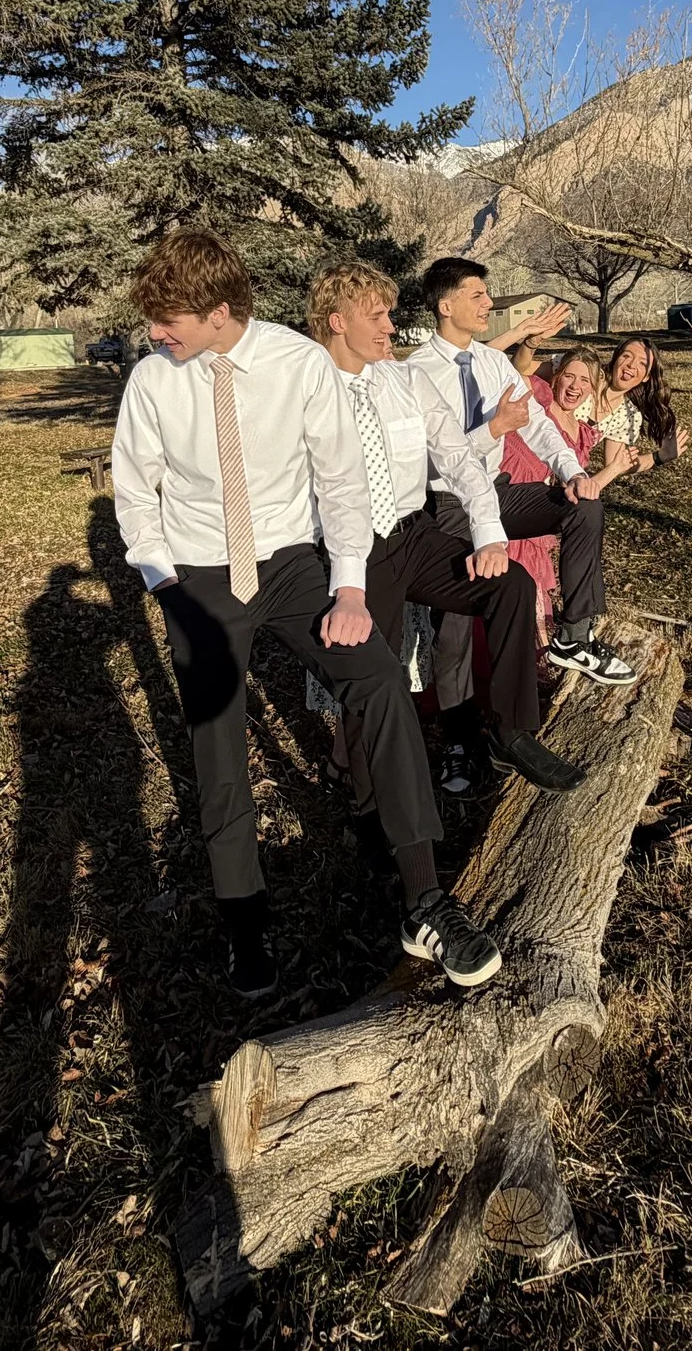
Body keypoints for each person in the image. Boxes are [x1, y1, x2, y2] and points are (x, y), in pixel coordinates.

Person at [110, 231, 501, 996]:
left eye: (171, 321)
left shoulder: (298, 366)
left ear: (220, 311)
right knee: (217, 748)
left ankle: (423, 900)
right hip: (197, 575)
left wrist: (350, 588)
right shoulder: (154, 380)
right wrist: (167, 592)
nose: (159, 335)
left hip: (292, 566)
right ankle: (246, 925)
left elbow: (342, 483)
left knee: (380, 678)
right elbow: (135, 493)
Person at [307, 263, 585, 809]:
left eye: (390, 314)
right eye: (378, 316)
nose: (391, 327)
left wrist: (488, 533)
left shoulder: (405, 381)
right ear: (338, 322)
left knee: (511, 587)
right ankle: (370, 805)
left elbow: (457, 457)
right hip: (355, 553)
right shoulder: (306, 390)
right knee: (374, 684)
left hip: (416, 533)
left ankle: (510, 732)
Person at [407, 258, 636, 687]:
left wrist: (570, 471)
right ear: (445, 306)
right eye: (477, 294)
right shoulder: (416, 372)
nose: (489, 302)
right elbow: (423, 461)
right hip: (448, 503)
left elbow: (538, 424)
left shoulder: (494, 364)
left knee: (582, 506)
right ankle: (459, 738)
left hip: (499, 490)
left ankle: (573, 636)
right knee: (456, 627)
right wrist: (492, 428)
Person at [502, 347, 640, 639]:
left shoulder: (582, 435)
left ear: (592, 388)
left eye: (585, 381)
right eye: (569, 376)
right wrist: (529, 342)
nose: (575, 386)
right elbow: (517, 368)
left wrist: (615, 468)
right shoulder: (539, 397)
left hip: (534, 515)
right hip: (504, 495)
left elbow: (581, 491)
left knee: (528, 603)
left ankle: (571, 638)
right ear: (556, 377)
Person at [589, 336, 688, 473]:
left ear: (646, 376)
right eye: (626, 356)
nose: (632, 364)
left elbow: (614, 465)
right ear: (616, 358)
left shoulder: (626, 414)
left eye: (643, 363)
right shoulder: (587, 374)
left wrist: (659, 457)